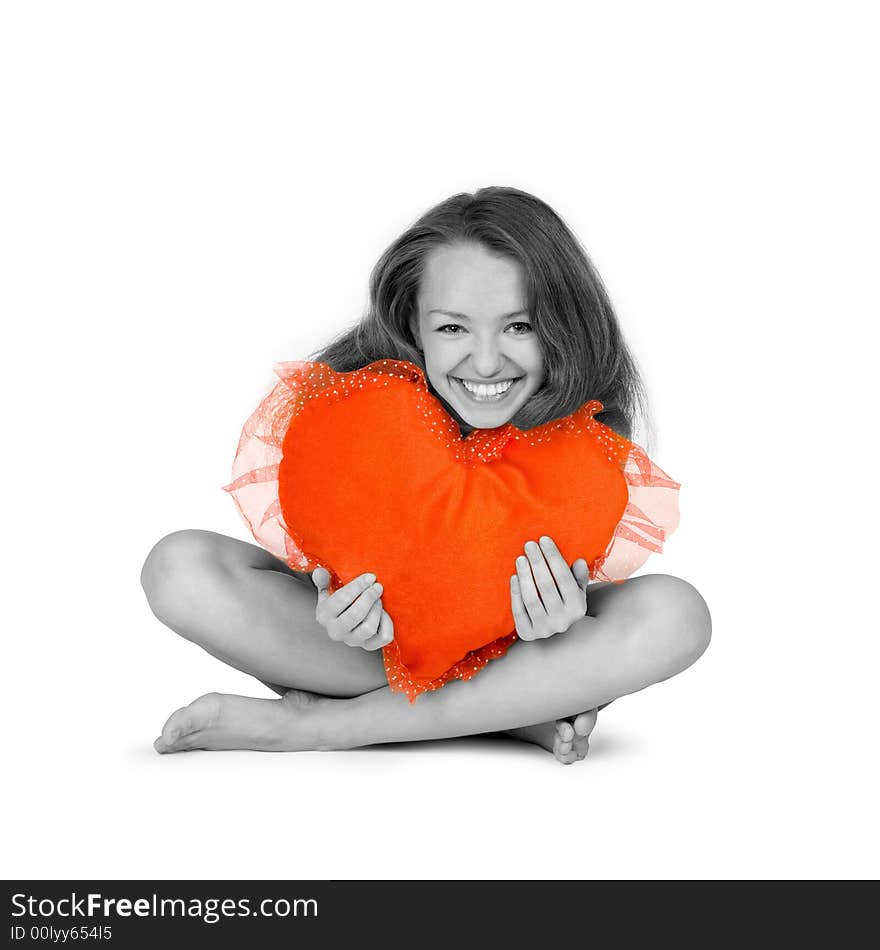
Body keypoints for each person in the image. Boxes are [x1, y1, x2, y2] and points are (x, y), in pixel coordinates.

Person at [140, 186, 711, 764]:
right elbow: (343, 553)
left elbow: (538, 571)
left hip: (527, 659)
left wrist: (560, 622)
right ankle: (510, 717)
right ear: (410, 323)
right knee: (179, 567)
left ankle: (325, 726)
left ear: (562, 325)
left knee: (678, 615)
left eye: (518, 327)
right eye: (453, 329)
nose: (487, 363)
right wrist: (339, 611)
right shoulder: (356, 410)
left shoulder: (581, 435)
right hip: (385, 653)